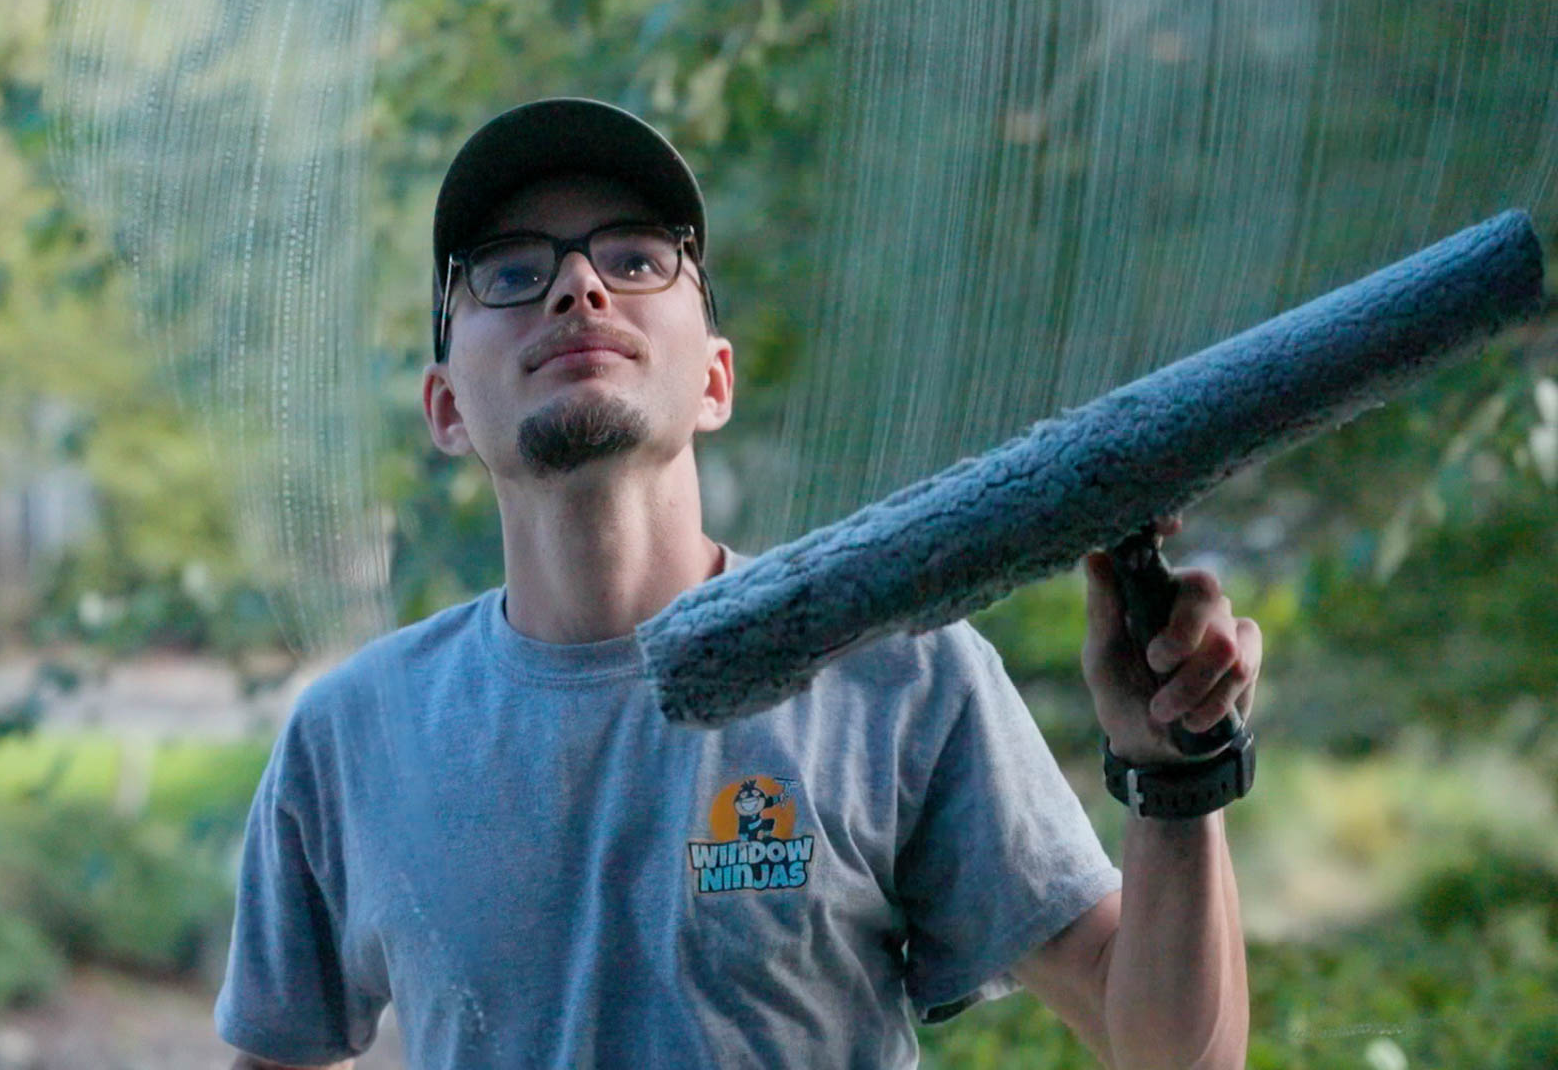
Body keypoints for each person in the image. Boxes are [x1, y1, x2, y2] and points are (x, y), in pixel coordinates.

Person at [216, 98, 1261, 1070]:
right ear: (444, 408)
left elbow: (1175, 1055)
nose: (577, 289)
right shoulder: (354, 735)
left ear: (713, 380)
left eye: (632, 259)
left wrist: (1171, 773)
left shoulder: (891, 672)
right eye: (505, 272)